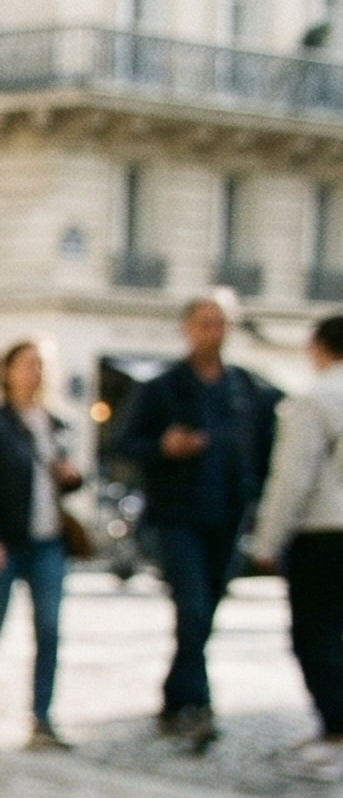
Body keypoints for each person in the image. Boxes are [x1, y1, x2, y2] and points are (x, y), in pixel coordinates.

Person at [115, 291, 282, 749]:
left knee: (204, 612)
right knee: (192, 608)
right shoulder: (161, 387)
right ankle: (196, 705)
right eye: (204, 321)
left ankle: (176, 697)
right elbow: (126, 445)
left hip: (228, 517)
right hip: (176, 515)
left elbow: (270, 451)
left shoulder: (248, 389)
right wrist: (163, 448)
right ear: (186, 328)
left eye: (221, 322)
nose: (213, 331)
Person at [0, 339, 84, 750]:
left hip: (47, 543)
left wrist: (72, 477)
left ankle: (42, 720)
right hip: (2, 544)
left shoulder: (58, 422)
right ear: (7, 371)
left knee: (49, 629)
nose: (34, 372)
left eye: (40, 365)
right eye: (25, 364)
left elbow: (68, 482)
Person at [246, 314, 343, 778]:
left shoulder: (316, 398)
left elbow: (292, 478)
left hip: (324, 533)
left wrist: (267, 540)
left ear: (319, 347)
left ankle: (336, 727)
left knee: (315, 632)